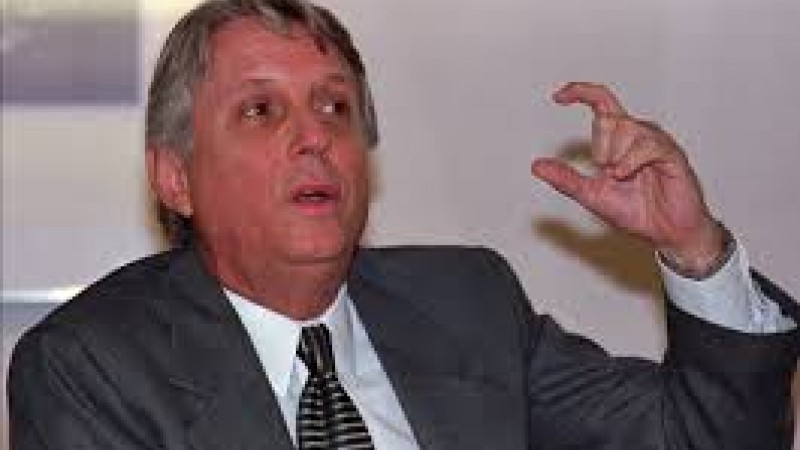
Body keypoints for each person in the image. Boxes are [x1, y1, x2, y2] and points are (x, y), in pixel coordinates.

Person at [8, 0, 799, 449]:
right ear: (175, 177)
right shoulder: (91, 367)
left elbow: (707, 439)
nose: (314, 136)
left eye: (335, 107)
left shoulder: (467, 303)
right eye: (260, 111)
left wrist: (693, 249)